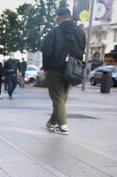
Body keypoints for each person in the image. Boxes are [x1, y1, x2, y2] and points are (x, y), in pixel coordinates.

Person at [41, 7, 86, 135]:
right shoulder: (80, 32)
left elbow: (47, 51)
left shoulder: (54, 32)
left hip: (55, 69)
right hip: (72, 69)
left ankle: (63, 125)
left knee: (58, 98)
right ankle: (52, 123)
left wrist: (46, 68)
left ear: (59, 18)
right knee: (62, 98)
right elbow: (82, 51)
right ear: (70, 16)